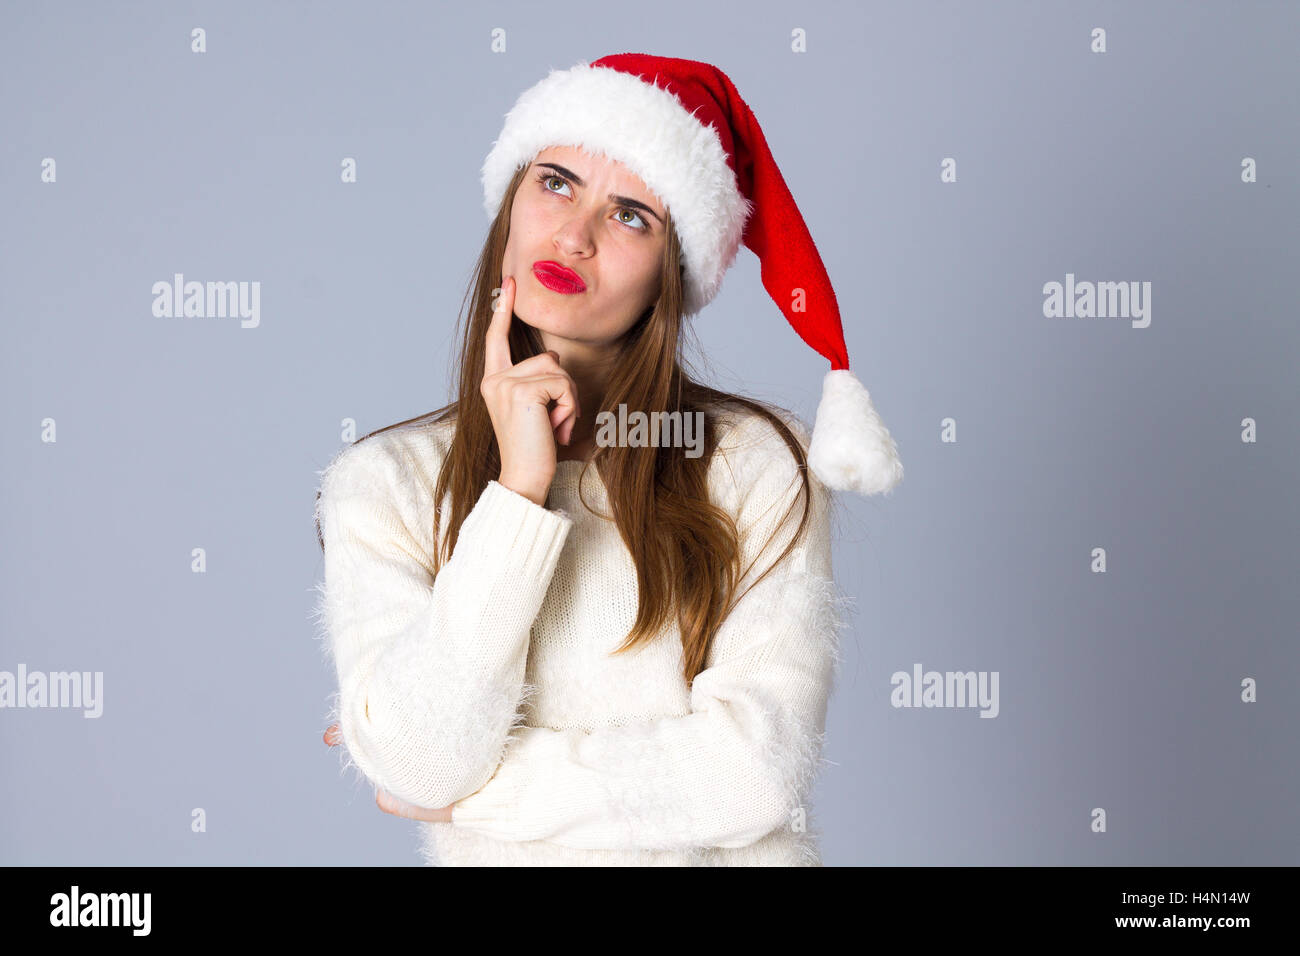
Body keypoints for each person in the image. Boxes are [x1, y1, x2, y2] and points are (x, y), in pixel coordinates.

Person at [312, 53, 903, 866]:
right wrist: (519, 496)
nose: (575, 234)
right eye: (555, 182)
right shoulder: (386, 485)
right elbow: (423, 759)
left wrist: (477, 797)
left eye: (632, 216)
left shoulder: (753, 465)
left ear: (674, 269)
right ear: (510, 203)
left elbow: (753, 772)